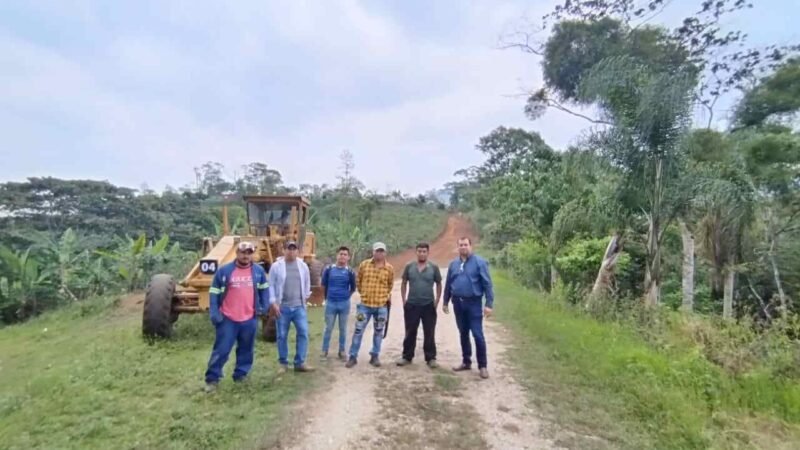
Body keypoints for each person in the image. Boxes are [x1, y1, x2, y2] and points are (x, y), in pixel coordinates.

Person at [204, 241, 273, 393]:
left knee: (246, 350)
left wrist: (264, 306)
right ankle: (212, 379)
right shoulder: (224, 271)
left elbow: (264, 290)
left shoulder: (258, 271)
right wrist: (215, 312)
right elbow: (214, 292)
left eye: (249, 253)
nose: (246, 256)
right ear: (237, 253)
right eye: (243, 252)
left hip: (249, 319)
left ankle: (241, 375)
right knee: (221, 350)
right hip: (228, 319)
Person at [443, 237, 494, 379]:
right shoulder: (453, 264)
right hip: (458, 303)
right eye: (460, 245)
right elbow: (449, 283)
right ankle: (466, 361)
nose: (463, 247)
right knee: (463, 333)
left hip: (474, 304)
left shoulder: (480, 263)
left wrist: (489, 304)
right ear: (457, 247)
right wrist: (445, 301)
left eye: (465, 245)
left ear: (471, 246)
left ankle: (483, 366)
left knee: (477, 334)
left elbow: (487, 285)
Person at [346, 242, 394, 368]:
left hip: (381, 306)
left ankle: (375, 355)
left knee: (378, 331)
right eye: (377, 251)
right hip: (364, 306)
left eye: (382, 251)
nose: (379, 253)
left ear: (385, 253)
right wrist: (364, 294)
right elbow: (358, 281)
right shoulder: (364, 265)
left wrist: (384, 297)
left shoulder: (389, 268)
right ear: (373, 252)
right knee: (358, 330)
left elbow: (390, 285)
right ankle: (352, 356)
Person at [269, 240, 314, 372]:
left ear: (297, 251)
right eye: (289, 249)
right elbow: (270, 285)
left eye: (294, 249)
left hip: (299, 307)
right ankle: (283, 363)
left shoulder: (303, 266)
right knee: (282, 335)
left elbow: (307, 282)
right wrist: (273, 302)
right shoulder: (276, 266)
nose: (291, 251)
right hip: (282, 307)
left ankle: (300, 362)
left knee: (303, 333)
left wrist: (306, 295)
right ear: (284, 250)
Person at [396, 243, 443, 368]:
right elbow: (404, 282)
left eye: (424, 251)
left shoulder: (434, 267)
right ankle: (407, 356)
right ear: (416, 252)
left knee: (429, 332)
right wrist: (404, 300)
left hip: (428, 305)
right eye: (419, 251)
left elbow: (438, 284)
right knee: (410, 331)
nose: (422, 253)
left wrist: (437, 300)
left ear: (428, 253)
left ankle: (431, 358)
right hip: (412, 305)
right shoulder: (409, 267)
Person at [320, 246, 357, 361]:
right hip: (331, 303)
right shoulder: (329, 269)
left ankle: (341, 351)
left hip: (344, 304)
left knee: (343, 329)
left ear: (348, 257)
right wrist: (327, 298)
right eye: (341, 254)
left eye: (345, 254)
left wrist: (346, 297)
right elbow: (323, 285)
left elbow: (353, 288)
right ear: (337, 255)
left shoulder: (350, 272)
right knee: (328, 328)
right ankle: (324, 350)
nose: (342, 256)